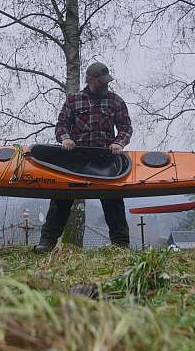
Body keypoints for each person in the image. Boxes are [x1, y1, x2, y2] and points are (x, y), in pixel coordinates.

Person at [34, 62, 133, 252]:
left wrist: (119, 143)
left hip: (105, 159)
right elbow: (61, 125)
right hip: (75, 159)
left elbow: (126, 127)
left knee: (114, 202)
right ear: (90, 80)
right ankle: (47, 242)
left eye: (107, 81)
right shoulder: (73, 101)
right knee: (60, 200)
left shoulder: (116, 101)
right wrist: (65, 139)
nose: (105, 85)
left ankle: (121, 246)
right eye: (101, 81)